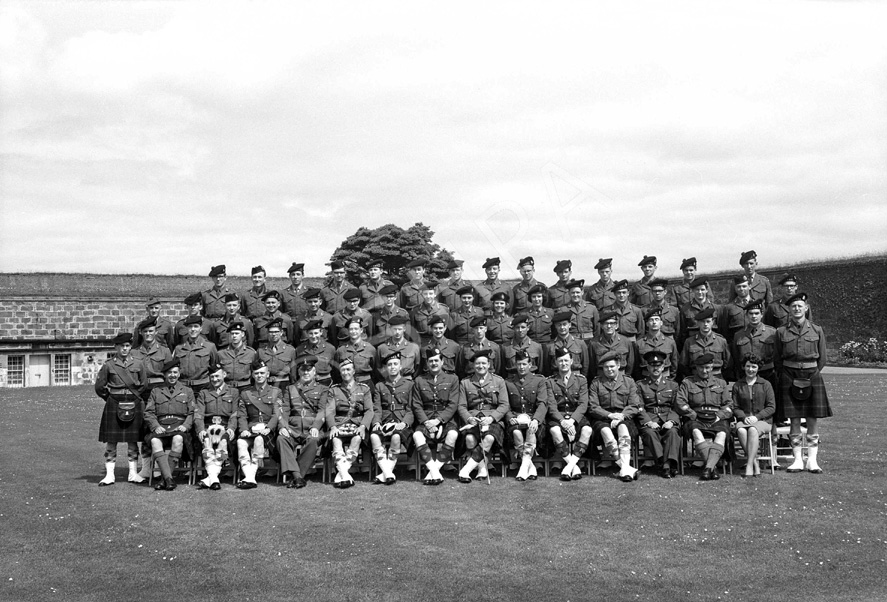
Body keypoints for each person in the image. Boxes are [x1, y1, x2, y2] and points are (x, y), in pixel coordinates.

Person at [774, 292, 831, 474]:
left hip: (812, 375)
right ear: (789, 310)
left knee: (812, 418)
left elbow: (822, 358)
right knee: (794, 419)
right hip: (789, 376)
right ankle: (797, 459)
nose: (797, 309)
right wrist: (789, 373)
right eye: (793, 306)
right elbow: (777, 359)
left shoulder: (817, 330)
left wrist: (811, 373)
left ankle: (812, 460)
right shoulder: (781, 332)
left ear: (806, 308)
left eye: (800, 306)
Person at [94, 332, 148, 486]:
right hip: (114, 403)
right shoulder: (109, 365)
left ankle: (133, 474)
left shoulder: (139, 363)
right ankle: (110, 475)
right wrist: (110, 398)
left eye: (127, 346)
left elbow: (143, 384)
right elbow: (99, 387)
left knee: (133, 440)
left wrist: (134, 395)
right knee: (111, 441)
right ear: (116, 347)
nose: (125, 349)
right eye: (122, 346)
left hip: (134, 402)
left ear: (130, 346)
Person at [675, 353, 733, 481]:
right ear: (696, 367)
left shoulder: (721, 383)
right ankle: (712, 467)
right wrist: (693, 414)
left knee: (722, 433)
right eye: (701, 368)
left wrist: (720, 415)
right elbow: (680, 402)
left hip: (716, 417)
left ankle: (708, 468)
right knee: (696, 432)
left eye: (707, 367)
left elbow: (729, 404)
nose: (704, 370)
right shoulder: (687, 382)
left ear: (712, 367)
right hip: (696, 417)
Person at [143, 358, 195, 491]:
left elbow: (192, 413)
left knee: (178, 439)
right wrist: (155, 426)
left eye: (175, 372)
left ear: (179, 374)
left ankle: (164, 479)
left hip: (179, 427)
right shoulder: (156, 391)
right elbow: (148, 412)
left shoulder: (187, 391)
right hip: (161, 427)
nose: (172, 375)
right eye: (169, 373)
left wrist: (186, 426)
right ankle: (169, 479)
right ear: (165, 375)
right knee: (154, 440)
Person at [457, 350, 509, 483]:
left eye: (484, 363)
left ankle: (465, 471)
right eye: (478, 363)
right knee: (469, 439)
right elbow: (461, 406)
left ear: (489, 364)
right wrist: (469, 418)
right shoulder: (465, 382)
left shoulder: (498, 381)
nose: (481, 366)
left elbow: (504, 405)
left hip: (492, 419)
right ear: (473, 365)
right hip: (474, 419)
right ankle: (482, 468)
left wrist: (491, 418)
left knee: (489, 438)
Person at [411, 347, 461, 484]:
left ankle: (433, 471)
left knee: (453, 435)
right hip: (426, 418)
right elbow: (416, 404)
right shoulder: (419, 380)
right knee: (417, 435)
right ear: (427, 363)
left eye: (436, 361)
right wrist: (427, 422)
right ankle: (434, 471)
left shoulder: (452, 379)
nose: (433, 363)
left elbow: (453, 404)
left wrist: (438, 421)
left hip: (445, 419)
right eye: (430, 361)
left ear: (442, 362)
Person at [589, 353, 642, 482]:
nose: (609, 369)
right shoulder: (596, 383)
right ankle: (625, 468)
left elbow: (634, 405)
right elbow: (593, 407)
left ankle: (624, 469)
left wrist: (621, 416)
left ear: (618, 365)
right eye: (606, 367)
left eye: (612, 366)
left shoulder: (628, 381)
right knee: (605, 431)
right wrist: (610, 415)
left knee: (623, 427)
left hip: (624, 417)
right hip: (602, 418)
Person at [277, 356, 328, 489]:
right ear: (299, 372)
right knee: (281, 438)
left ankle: (296, 475)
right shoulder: (290, 389)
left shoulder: (322, 389)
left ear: (314, 371)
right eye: (303, 370)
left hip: (312, 427)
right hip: (294, 428)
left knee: (313, 440)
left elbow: (322, 411)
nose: (306, 373)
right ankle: (298, 477)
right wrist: (283, 426)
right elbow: (286, 410)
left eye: (309, 370)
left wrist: (316, 426)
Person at [326, 359, 374, 488]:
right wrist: (333, 427)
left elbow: (369, 410)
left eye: (348, 369)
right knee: (335, 439)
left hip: (358, 423)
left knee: (357, 438)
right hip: (340, 423)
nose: (346, 372)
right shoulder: (334, 390)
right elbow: (329, 411)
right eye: (343, 370)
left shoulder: (364, 389)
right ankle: (345, 474)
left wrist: (363, 426)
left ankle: (342, 472)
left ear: (353, 371)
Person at [546, 346, 592, 481]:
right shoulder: (550, 381)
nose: (563, 364)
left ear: (571, 361)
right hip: (558, 416)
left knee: (587, 430)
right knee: (554, 430)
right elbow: (552, 406)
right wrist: (563, 422)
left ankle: (569, 466)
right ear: (556, 363)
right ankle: (574, 467)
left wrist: (572, 421)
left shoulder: (581, 380)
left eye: (566, 361)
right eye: (560, 361)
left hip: (576, 416)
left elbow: (583, 404)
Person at [235, 359, 281, 489]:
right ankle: (248, 475)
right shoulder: (246, 393)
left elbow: (277, 414)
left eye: (262, 373)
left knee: (259, 440)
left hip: (268, 430)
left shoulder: (276, 392)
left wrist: (269, 428)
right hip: (251, 429)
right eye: (256, 373)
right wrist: (243, 429)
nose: (259, 376)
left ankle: (250, 477)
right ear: (252, 375)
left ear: (267, 374)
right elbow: (242, 415)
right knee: (241, 442)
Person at [370, 352, 415, 484]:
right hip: (385, 421)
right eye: (389, 365)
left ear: (400, 366)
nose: (392, 367)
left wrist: (405, 423)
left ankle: (386, 473)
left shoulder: (409, 384)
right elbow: (377, 408)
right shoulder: (379, 386)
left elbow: (411, 408)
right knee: (373, 436)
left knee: (396, 437)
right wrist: (377, 422)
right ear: (386, 368)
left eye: (395, 364)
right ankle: (388, 473)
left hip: (401, 421)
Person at [635, 351, 681, 478]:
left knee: (672, 432)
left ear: (663, 367)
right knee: (649, 433)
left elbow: (677, 407)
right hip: (650, 417)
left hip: (668, 416)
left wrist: (671, 421)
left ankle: (665, 465)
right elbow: (639, 407)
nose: (655, 368)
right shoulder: (640, 385)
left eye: (658, 366)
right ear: (648, 367)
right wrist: (649, 422)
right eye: (652, 366)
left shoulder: (673, 385)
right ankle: (666, 464)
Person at [194, 363, 240, 490]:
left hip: (225, 426)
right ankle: (214, 479)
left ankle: (211, 478)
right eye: (212, 377)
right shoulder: (204, 393)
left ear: (224, 375)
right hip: (208, 426)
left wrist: (231, 428)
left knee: (223, 442)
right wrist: (200, 430)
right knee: (207, 441)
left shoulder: (233, 392)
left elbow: (235, 414)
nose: (214, 379)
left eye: (217, 376)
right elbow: (198, 414)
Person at [504, 351, 549, 481]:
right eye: (519, 364)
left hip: (533, 418)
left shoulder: (539, 380)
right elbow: (505, 404)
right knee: (517, 433)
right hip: (515, 418)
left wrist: (536, 419)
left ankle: (523, 469)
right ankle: (530, 467)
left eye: (524, 364)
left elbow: (542, 403)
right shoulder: (509, 382)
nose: (521, 367)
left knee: (531, 430)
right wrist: (509, 417)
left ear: (530, 364)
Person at [731, 353, 776, 477]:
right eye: (748, 366)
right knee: (740, 430)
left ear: (758, 368)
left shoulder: (766, 384)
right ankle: (755, 463)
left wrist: (757, 417)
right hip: (744, 419)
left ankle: (749, 465)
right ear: (744, 367)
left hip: (763, 421)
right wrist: (744, 417)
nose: (750, 370)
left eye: (754, 367)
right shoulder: (738, 385)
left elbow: (771, 407)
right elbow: (735, 407)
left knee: (752, 430)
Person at [732, 299, 777, 394]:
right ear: (746, 315)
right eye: (751, 313)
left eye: (757, 313)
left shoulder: (772, 333)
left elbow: (778, 355)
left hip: (768, 374)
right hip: (747, 375)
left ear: (762, 314)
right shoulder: (738, 335)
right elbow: (736, 357)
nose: (754, 316)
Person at [679, 308, 731, 381]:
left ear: (713, 322)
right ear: (698, 323)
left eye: (708, 321)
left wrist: (721, 379)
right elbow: (683, 364)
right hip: (695, 379)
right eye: (703, 322)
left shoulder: (721, 341)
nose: (705, 324)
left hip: (716, 378)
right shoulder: (689, 342)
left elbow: (728, 364)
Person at [173, 314, 219, 394]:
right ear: (187, 329)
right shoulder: (179, 348)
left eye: (196, 326)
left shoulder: (210, 347)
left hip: (203, 387)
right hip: (184, 387)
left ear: (201, 329)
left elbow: (214, 367)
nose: (193, 329)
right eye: (190, 327)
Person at [635, 307, 679, 380]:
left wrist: (670, 380)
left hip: (665, 379)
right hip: (645, 380)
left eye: (657, 319)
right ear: (647, 324)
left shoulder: (670, 342)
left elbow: (674, 365)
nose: (654, 322)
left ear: (661, 323)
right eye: (651, 320)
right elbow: (636, 367)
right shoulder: (640, 343)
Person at [588, 311, 635, 379]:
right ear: (601, 326)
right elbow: (592, 365)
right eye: (606, 324)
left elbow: (631, 364)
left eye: (612, 323)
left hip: (621, 377)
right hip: (601, 377)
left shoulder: (626, 341)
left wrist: (626, 377)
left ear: (616, 326)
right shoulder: (594, 343)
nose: (609, 326)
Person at [130, 316, 172, 392]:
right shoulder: (133, 352)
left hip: (159, 387)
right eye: (145, 331)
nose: (148, 334)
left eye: (150, 331)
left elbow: (169, 374)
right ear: (140, 333)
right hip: (140, 387)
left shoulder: (165, 351)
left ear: (156, 332)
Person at [679, 277, 721, 348]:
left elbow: (721, 329)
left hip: (713, 345)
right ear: (693, 291)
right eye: (697, 290)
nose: (700, 292)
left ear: (707, 290)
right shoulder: (685, 309)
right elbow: (683, 332)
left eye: (702, 289)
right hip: (693, 345)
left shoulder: (716, 308)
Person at [334, 317, 377, 386]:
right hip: (347, 384)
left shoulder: (370, 349)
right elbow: (336, 372)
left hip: (366, 383)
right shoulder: (341, 350)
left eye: (356, 329)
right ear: (348, 331)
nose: (354, 331)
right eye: (351, 329)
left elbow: (375, 371)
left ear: (361, 330)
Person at [294, 320, 336, 386]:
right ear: (307, 334)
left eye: (316, 333)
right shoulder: (300, 349)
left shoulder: (330, 348)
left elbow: (335, 370)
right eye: (311, 333)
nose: (313, 336)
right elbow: (297, 370)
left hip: (326, 383)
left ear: (321, 332)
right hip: (306, 384)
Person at [218, 321, 257, 391]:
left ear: (242, 334)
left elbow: (255, 373)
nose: (234, 336)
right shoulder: (221, 353)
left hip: (245, 387)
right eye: (232, 334)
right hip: (227, 388)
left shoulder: (251, 353)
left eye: (237, 333)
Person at [258, 318, 297, 389]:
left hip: (284, 384)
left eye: (276, 332)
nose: (274, 334)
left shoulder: (290, 350)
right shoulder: (261, 351)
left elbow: (293, 374)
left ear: (281, 332)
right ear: (267, 333)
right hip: (267, 384)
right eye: (271, 332)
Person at [410, 281, 448, 346]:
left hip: (439, 342)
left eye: (430, 293)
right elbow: (412, 329)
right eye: (425, 294)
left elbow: (447, 329)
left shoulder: (444, 309)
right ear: (422, 294)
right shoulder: (415, 310)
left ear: (435, 294)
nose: (428, 296)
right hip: (422, 343)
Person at [565, 278, 598, 343]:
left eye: (577, 292)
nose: (575, 295)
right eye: (573, 293)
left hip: (589, 342)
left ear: (582, 292)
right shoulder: (564, 309)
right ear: (569, 293)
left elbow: (597, 328)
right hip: (572, 342)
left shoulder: (591, 308)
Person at [720, 274, 752, 342]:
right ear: (735, 288)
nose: (741, 289)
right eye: (739, 287)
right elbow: (724, 330)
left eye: (744, 286)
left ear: (749, 286)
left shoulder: (757, 304)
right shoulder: (729, 307)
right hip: (737, 344)